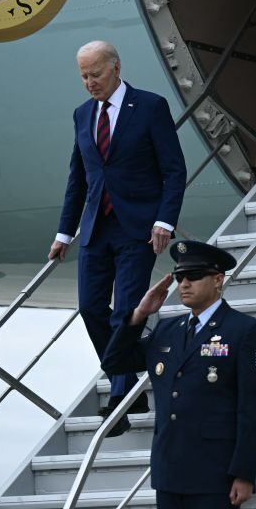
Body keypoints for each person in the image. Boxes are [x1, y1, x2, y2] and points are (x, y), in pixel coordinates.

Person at [102, 240, 256, 509]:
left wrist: (244, 472)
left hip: (215, 477)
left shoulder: (244, 331)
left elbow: (254, 408)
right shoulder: (168, 329)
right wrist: (140, 313)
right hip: (170, 473)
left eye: (193, 276)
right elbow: (115, 361)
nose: (183, 284)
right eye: (179, 277)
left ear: (218, 279)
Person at [50, 40, 187, 437]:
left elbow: (174, 171)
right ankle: (127, 373)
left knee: (125, 309)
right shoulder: (81, 115)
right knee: (90, 308)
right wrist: (63, 232)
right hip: (95, 228)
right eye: (83, 76)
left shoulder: (149, 106)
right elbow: (79, 179)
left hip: (138, 228)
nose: (88, 82)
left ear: (115, 67)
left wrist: (164, 221)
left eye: (94, 74)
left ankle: (121, 396)